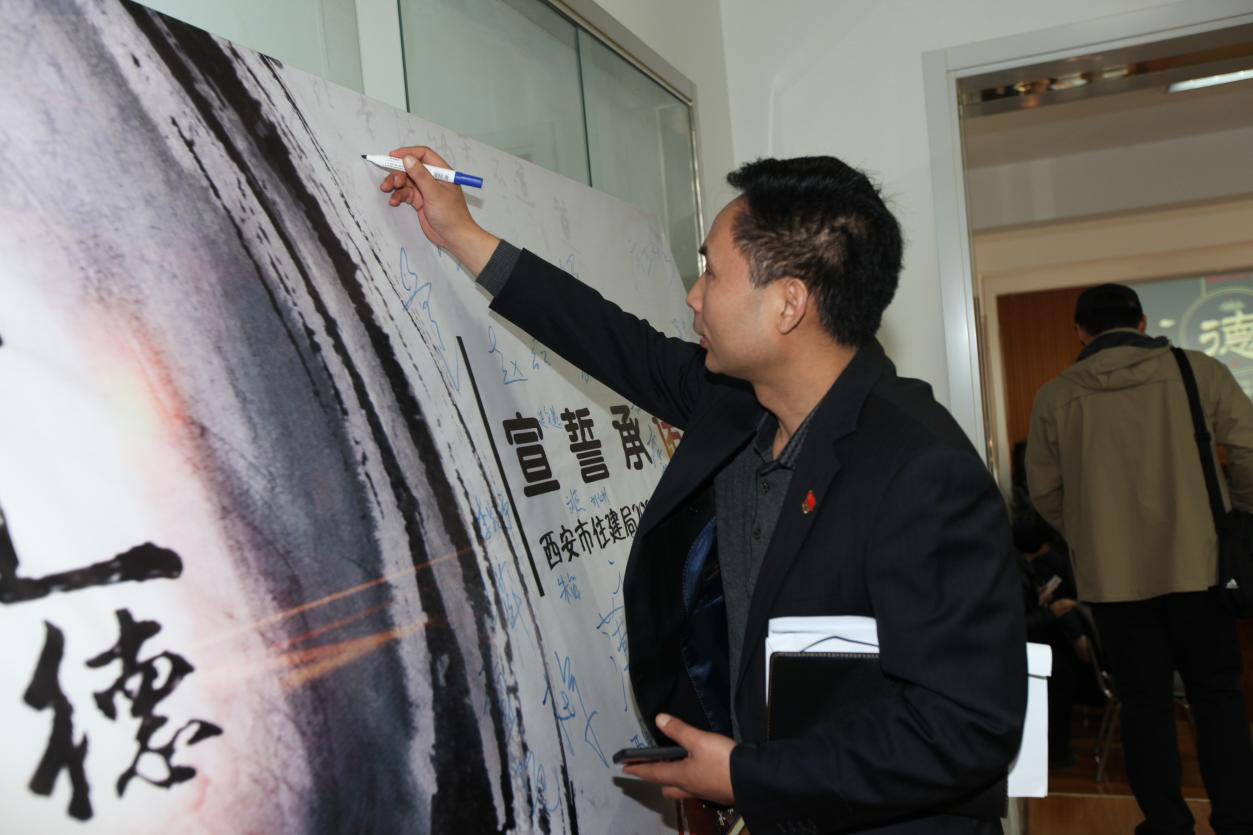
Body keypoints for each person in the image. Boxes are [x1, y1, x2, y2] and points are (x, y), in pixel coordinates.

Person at [382, 148, 1026, 833]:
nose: (693, 295)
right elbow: (609, 338)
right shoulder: (741, 403)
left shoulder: (921, 472)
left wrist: (749, 776)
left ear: (788, 304)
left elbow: (968, 727)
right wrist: (460, 232)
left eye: (712, 272)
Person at [1026, 283, 1253, 835]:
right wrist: (1238, 512)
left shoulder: (1056, 396)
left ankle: (1166, 823)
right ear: (1143, 321)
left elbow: (1044, 492)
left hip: (1114, 580)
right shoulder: (1198, 371)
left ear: (1080, 332)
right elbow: (1249, 448)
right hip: (1200, 568)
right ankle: (1238, 819)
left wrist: (1090, 536)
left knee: (1143, 704)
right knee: (1216, 696)